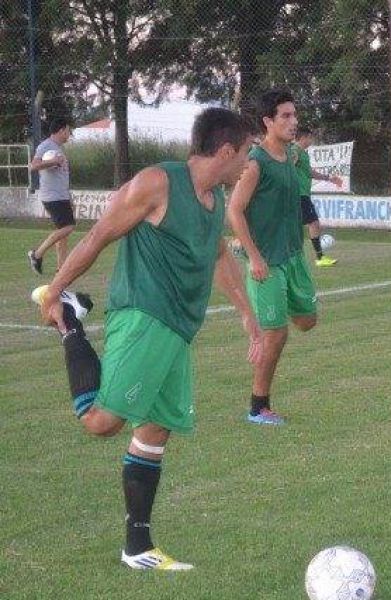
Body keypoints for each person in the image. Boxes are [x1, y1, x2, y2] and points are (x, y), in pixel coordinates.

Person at [37, 107, 261, 570]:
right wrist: (56, 293)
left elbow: (219, 255)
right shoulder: (157, 183)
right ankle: (72, 322)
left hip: (178, 331)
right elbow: (97, 236)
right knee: (101, 422)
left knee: (155, 431)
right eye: (245, 153)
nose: (247, 164)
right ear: (225, 150)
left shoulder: (216, 198)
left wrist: (247, 315)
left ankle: (137, 548)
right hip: (144, 319)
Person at [228, 89, 318, 423]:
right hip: (267, 262)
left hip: (294, 255)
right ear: (268, 121)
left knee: (308, 321)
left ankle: (264, 315)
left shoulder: (292, 156)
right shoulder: (256, 162)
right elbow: (234, 211)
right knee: (276, 333)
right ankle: (258, 406)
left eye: (295, 115)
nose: (294, 122)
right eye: (286, 116)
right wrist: (253, 256)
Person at [28, 117, 75, 275]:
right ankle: (37, 254)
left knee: (63, 231)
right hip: (52, 196)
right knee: (69, 227)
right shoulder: (46, 146)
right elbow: (33, 166)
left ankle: (61, 269)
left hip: (61, 195)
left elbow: (61, 175)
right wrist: (53, 161)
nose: (69, 134)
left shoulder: (57, 147)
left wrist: (69, 196)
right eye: (68, 131)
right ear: (61, 130)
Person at [292, 127, 343, 266]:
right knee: (313, 223)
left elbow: (309, 172)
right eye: (310, 137)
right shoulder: (295, 151)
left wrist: (329, 178)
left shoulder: (302, 153)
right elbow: (287, 167)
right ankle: (319, 258)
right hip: (298, 194)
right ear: (303, 137)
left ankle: (311, 257)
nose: (311, 140)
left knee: (300, 225)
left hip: (302, 194)